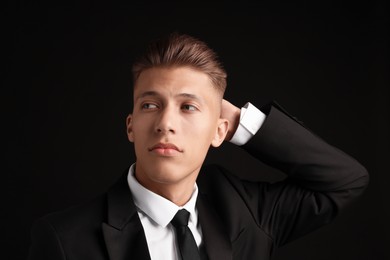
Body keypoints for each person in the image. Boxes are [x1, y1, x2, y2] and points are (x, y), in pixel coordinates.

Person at [27, 32, 369, 260]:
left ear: (219, 132)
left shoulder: (246, 212)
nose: (165, 123)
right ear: (130, 126)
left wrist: (238, 123)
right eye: (149, 105)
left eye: (187, 107)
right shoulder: (63, 240)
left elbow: (344, 181)